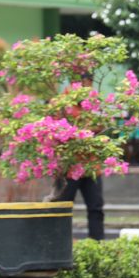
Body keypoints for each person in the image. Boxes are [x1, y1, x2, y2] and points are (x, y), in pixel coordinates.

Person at [55, 76, 106, 240]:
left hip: (91, 167)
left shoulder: (94, 103)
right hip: (68, 168)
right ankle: (59, 245)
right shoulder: (63, 104)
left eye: (89, 83)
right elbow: (55, 130)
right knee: (61, 209)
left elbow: (102, 126)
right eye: (83, 83)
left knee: (96, 207)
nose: (87, 87)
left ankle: (97, 246)